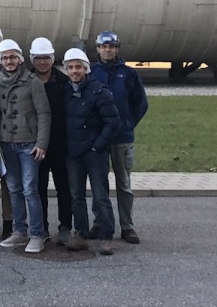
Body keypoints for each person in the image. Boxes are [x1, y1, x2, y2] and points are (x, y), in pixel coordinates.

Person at [90, 30, 148, 245]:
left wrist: (128, 123)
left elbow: (140, 103)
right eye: (104, 46)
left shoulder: (129, 74)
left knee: (123, 183)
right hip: (99, 138)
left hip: (122, 137)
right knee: (99, 183)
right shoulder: (92, 72)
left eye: (112, 46)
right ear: (97, 49)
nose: (107, 50)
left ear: (117, 49)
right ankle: (100, 222)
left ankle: (127, 226)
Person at [62, 47, 120, 255]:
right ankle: (81, 234)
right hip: (73, 152)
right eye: (71, 67)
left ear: (86, 69)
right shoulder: (66, 91)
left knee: (100, 194)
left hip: (94, 153)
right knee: (76, 195)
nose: (75, 71)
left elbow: (113, 122)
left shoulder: (98, 91)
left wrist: (98, 146)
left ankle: (106, 236)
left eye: (78, 67)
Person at [0, 39, 50, 254]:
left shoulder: (33, 82)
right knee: (14, 190)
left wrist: (42, 143)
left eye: (12, 57)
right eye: (5, 57)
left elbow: (44, 114)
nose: (9, 61)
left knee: (29, 189)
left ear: (20, 59)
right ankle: (19, 231)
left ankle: (37, 234)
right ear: (0, 60)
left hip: (29, 145)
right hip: (6, 144)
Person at [30, 37, 71, 244]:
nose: (42, 62)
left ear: (52, 58)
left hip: (59, 143)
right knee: (39, 188)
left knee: (64, 186)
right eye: (38, 58)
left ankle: (65, 226)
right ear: (32, 59)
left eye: (46, 58)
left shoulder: (64, 82)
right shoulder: (27, 81)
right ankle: (42, 227)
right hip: (36, 145)